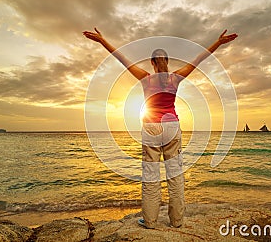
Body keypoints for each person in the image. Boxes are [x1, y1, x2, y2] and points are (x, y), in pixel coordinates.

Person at [83, 28, 237, 229]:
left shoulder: (145, 78)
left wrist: (103, 41)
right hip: (172, 126)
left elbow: (121, 58)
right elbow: (199, 59)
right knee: (175, 175)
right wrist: (218, 43)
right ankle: (177, 221)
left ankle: (150, 221)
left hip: (151, 127)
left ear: (152, 62)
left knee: (151, 176)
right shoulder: (176, 78)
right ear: (167, 61)